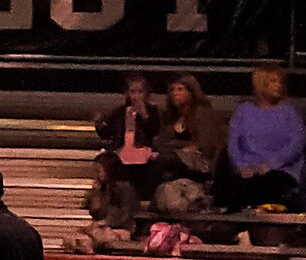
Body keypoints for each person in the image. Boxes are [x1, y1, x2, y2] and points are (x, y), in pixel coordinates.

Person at [219, 63, 304, 213]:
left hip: (281, 171)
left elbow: (297, 144)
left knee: (271, 184)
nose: (278, 85)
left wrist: (271, 165)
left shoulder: (289, 113)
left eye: (280, 82)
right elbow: (233, 144)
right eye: (272, 81)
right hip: (248, 171)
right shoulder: (243, 112)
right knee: (235, 186)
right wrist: (241, 166)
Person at [89, 72, 162, 231]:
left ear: (146, 93)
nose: (136, 95)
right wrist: (99, 124)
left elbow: (154, 130)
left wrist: (144, 114)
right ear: (127, 93)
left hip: (142, 154)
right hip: (123, 153)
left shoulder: (153, 111)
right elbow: (107, 133)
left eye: (140, 92)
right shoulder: (119, 111)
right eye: (133, 91)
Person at [151, 72, 228, 212]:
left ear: (191, 92)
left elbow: (206, 145)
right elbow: (162, 141)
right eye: (172, 90)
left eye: (180, 89)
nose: (175, 93)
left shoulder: (203, 114)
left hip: (199, 164)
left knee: (162, 160)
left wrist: (179, 148)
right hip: (176, 162)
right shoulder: (171, 118)